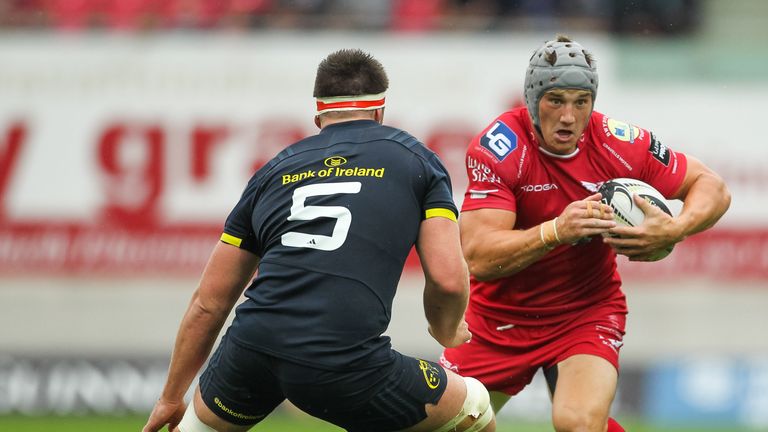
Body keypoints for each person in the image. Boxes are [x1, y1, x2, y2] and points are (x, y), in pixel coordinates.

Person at [143, 49, 496, 432]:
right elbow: (446, 279)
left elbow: (208, 303)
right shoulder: (417, 161)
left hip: (251, 350)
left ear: (319, 118)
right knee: (474, 404)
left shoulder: (272, 170)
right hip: (341, 360)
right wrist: (447, 330)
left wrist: (170, 397)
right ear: (380, 112)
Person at [439, 35, 731, 432]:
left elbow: (711, 186)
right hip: (496, 322)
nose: (568, 116)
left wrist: (674, 229)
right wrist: (556, 231)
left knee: (577, 423)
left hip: (584, 312)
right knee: (444, 426)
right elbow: (478, 257)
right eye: (555, 100)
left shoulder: (617, 142)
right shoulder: (500, 148)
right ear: (532, 98)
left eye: (581, 101)